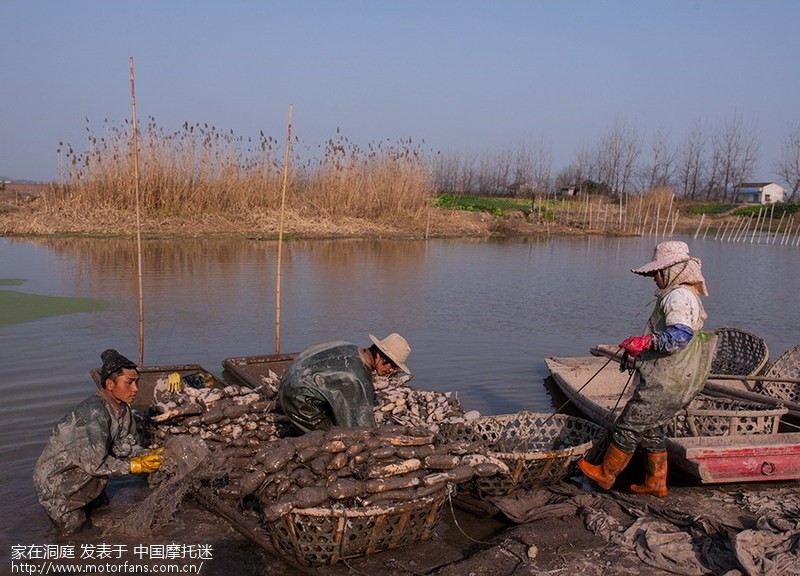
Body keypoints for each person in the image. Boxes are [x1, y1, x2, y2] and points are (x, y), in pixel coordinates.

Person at [579, 241, 717, 497]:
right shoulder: (688, 295)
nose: (654, 278)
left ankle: (606, 474)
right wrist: (642, 346)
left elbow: (679, 337)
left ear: (673, 271)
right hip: (682, 379)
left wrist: (646, 341)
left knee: (629, 425)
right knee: (651, 428)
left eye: (657, 273)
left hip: (668, 379)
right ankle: (656, 482)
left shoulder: (677, 296)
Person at [33, 349, 164, 534]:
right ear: (110, 384)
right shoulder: (92, 414)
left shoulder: (123, 410)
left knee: (104, 512)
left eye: (136, 382)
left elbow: (123, 446)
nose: (136, 389)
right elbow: (95, 464)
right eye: (129, 383)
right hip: (61, 486)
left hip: (89, 480)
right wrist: (134, 467)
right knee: (76, 536)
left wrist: (145, 455)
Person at [278, 333, 412, 433]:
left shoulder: (348, 346)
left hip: (289, 376)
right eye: (393, 366)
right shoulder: (357, 378)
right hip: (295, 398)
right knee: (331, 435)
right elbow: (360, 425)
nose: (393, 371)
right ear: (379, 355)